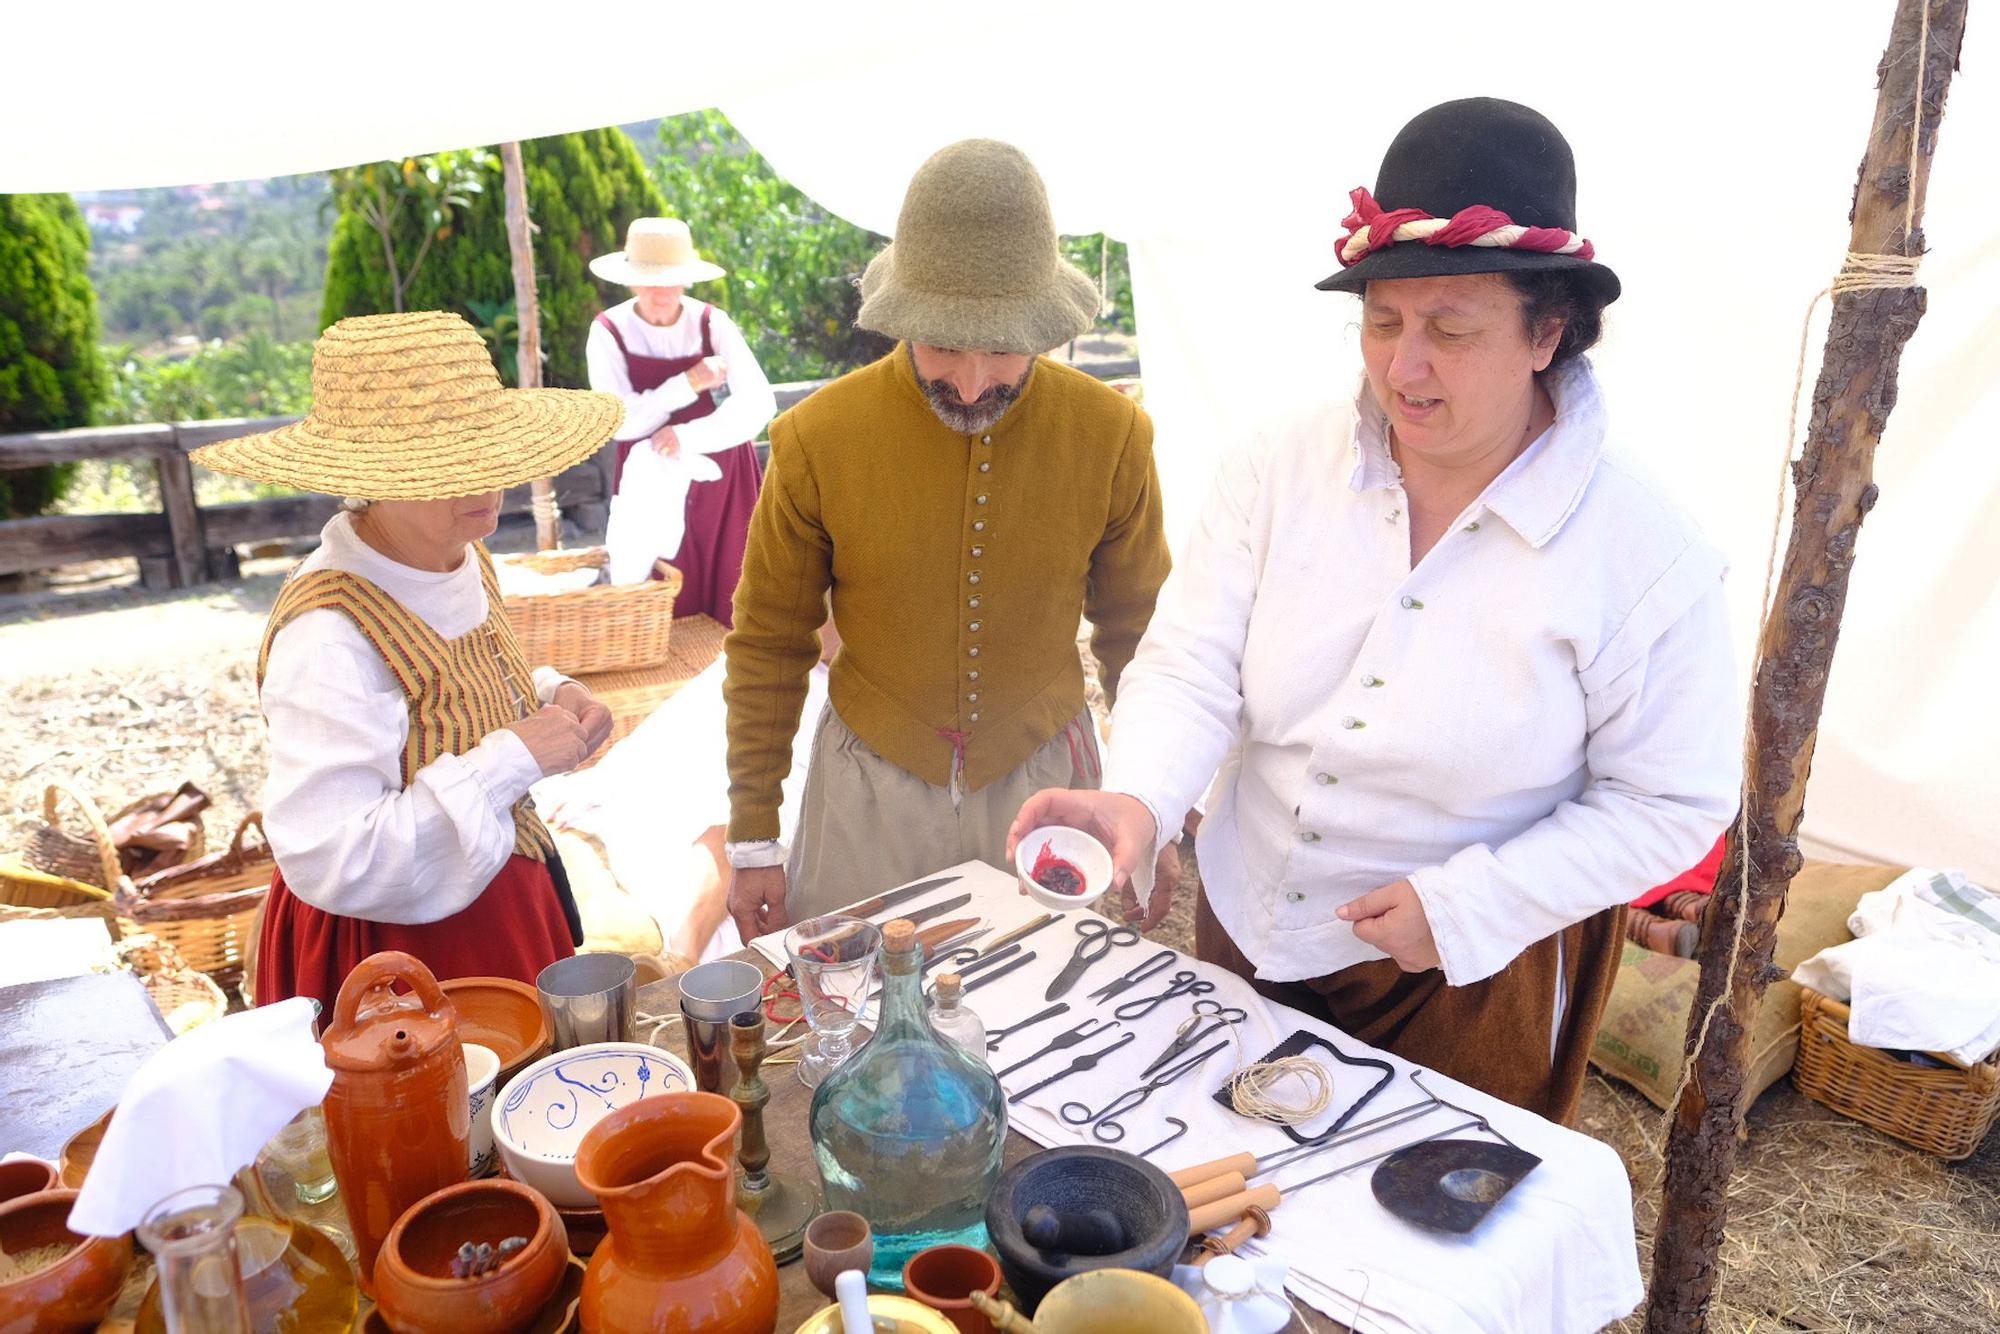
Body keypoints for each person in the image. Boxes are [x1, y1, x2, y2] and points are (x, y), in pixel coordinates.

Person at [1011, 99, 1740, 1122]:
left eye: (1449, 328)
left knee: (1404, 1257)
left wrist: (1464, 906)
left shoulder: (1641, 550)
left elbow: (1672, 799)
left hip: (1468, 976)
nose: (1402, 365)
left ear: (1547, 331)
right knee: (1230, 1213)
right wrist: (1135, 797)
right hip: (1246, 917)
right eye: (1382, 321)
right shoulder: (1277, 464)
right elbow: (1190, 659)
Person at [722, 139, 1173, 941]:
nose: (971, 383)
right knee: (862, 1025)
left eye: (1002, 348)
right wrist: (755, 835)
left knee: (1045, 1022)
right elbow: (767, 643)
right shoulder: (815, 438)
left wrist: (1155, 800)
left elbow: (1142, 636)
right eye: (941, 345)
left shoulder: (1113, 435)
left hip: (1046, 781)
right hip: (866, 796)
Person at [191, 311, 623, 1012]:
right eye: (450, 466)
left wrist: (552, 693)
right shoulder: (328, 633)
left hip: (497, 898)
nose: (485, 482)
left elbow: (465, 676)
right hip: (402, 953)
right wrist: (513, 756)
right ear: (370, 475)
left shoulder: (459, 551)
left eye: (490, 453)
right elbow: (335, 853)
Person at [588, 217, 777, 624]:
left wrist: (687, 435)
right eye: (650, 280)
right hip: (648, 477)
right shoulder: (608, 331)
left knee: (733, 589)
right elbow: (620, 420)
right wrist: (688, 383)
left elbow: (759, 402)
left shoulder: (712, 322)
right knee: (656, 592)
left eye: (672, 280)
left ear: (688, 280)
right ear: (631, 281)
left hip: (720, 471)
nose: (662, 292)